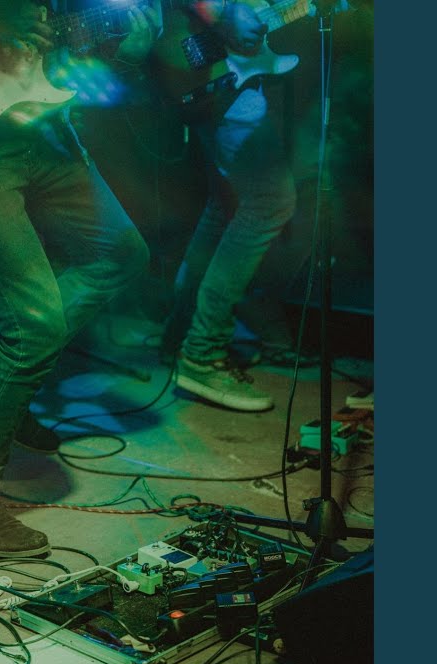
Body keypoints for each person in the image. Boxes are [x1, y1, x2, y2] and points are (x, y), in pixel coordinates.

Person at [0, 0, 160, 557]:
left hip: (49, 130)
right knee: (33, 327)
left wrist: (123, 48)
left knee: (120, 254)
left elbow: (67, 40)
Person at [151, 1, 303, 412]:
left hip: (209, 67)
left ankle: (179, 335)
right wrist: (227, 12)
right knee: (269, 201)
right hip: (214, 67)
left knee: (225, 206)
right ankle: (203, 353)